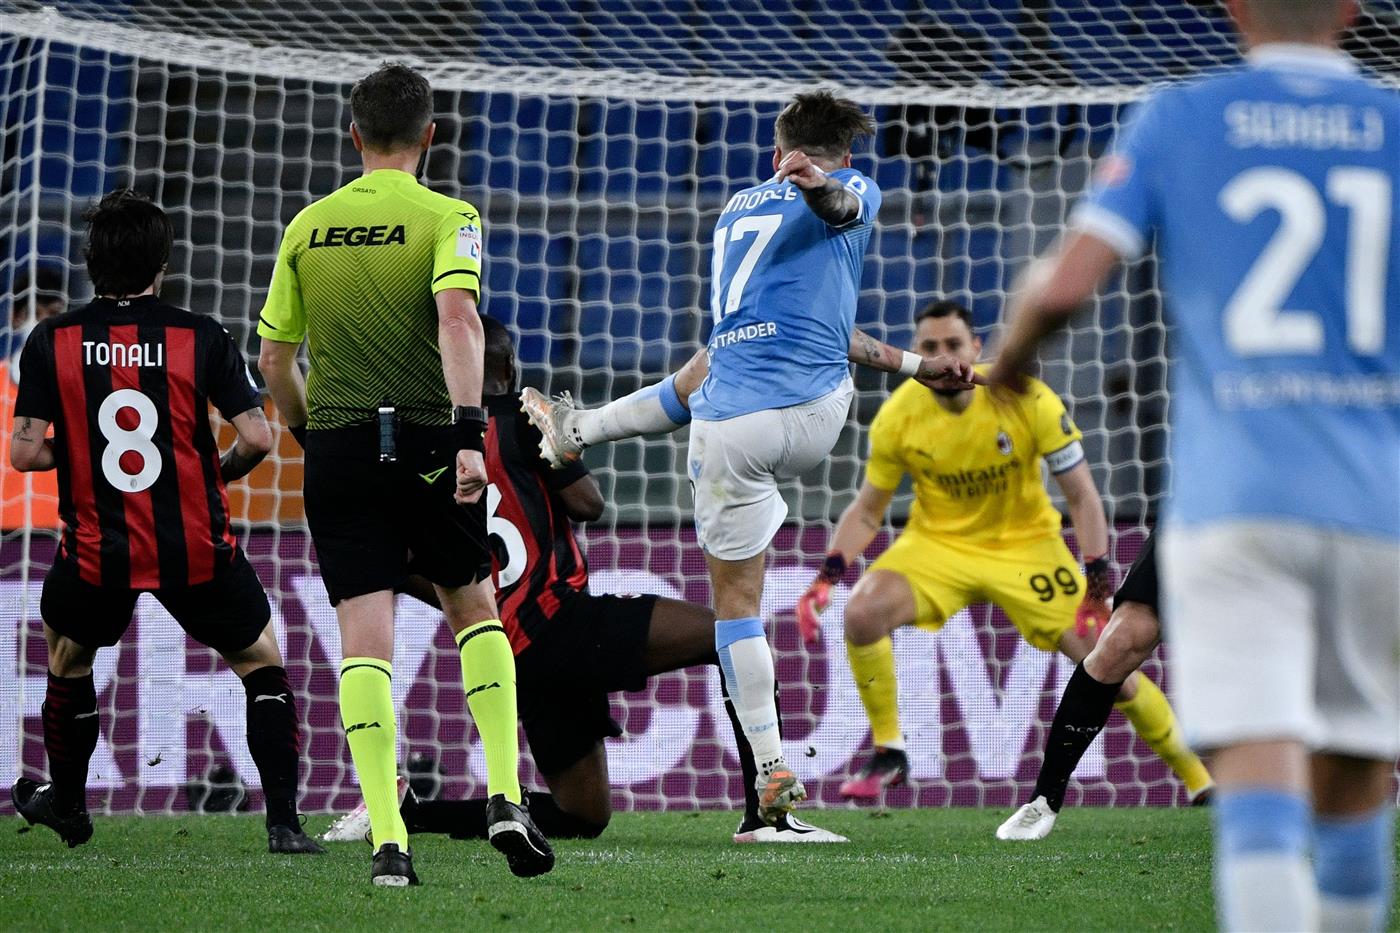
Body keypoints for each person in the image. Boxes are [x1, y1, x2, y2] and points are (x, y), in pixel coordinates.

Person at [987, 1, 1398, 928]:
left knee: (1257, 789)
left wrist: (1009, 364)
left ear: (1232, 6)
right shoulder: (1394, 125)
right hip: (1377, 497)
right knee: (1350, 786)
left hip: (1235, 500)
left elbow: (1061, 286)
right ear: (1356, 10)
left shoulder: (1181, 114)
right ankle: (1047, 795)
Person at [524, 91, 978, 825]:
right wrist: (824, 187)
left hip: (724, 429)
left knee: (733, 594)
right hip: (809, 417)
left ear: (775, 152)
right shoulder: (854, 186)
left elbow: (815, 321)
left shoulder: (735, 210)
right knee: (745, 363)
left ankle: (580, 429)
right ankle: (770, 797)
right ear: (848, 155)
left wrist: (915, 364)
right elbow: (841, 210)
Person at [324, 317, 847, 845]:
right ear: (508, 367)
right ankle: (766, 816)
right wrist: (559, 453)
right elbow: (588, 504)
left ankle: (409, 812)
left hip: (513, 651)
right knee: (731, 638)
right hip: (563, 620)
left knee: (583, 815)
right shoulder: (522, 421)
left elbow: (421, 569)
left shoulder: (433, 448)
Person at [256, 62, 549, 886]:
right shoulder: (448, 214)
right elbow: (459, 319)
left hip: (341, 445)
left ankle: (389, 843)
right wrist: (467, 433)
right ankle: (502, 793)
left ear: (354, 136)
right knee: (473, 605)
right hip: (430, 438)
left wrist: (314, 432)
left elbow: (275, 359)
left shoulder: (307, 225)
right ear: (430, 135)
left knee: (365, 642)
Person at [794, 301, 1211, 804]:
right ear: (916, 353)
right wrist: (825, 579)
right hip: (938, 547)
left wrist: (1098, 584)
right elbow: (866, 511)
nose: (944, 359)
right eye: (930, 347)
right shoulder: (898, 417)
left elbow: (1081, 495)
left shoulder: (1026, 398)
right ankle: (889, 750)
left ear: (976, 349)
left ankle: (1199, 780)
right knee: (861, 614)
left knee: (1111, 668)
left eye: (953, 345)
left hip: (1027, 548)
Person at [7, 189, 322, 855]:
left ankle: (67, 803)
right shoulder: (199, 335)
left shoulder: (50, 340)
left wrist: (86, 453)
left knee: (68, 659)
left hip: (97, 548)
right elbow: (260, 438)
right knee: (261, 663)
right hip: (194, 545)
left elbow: (26, 451)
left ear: (92, 263)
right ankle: (285, 825)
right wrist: (215, 472)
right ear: (163, 264)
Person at [996, 529, 1209, 840]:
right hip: (1201, 505)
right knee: (1119, 643)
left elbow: (1081, 491)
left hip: (1286, 509)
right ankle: (1044, 800)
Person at [2, 266, 65, 530]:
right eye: (34, 315)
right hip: (5, 533)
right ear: (15, 317)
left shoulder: (79, 383)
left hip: (64, 532)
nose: (43, 324)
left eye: (52, 315)